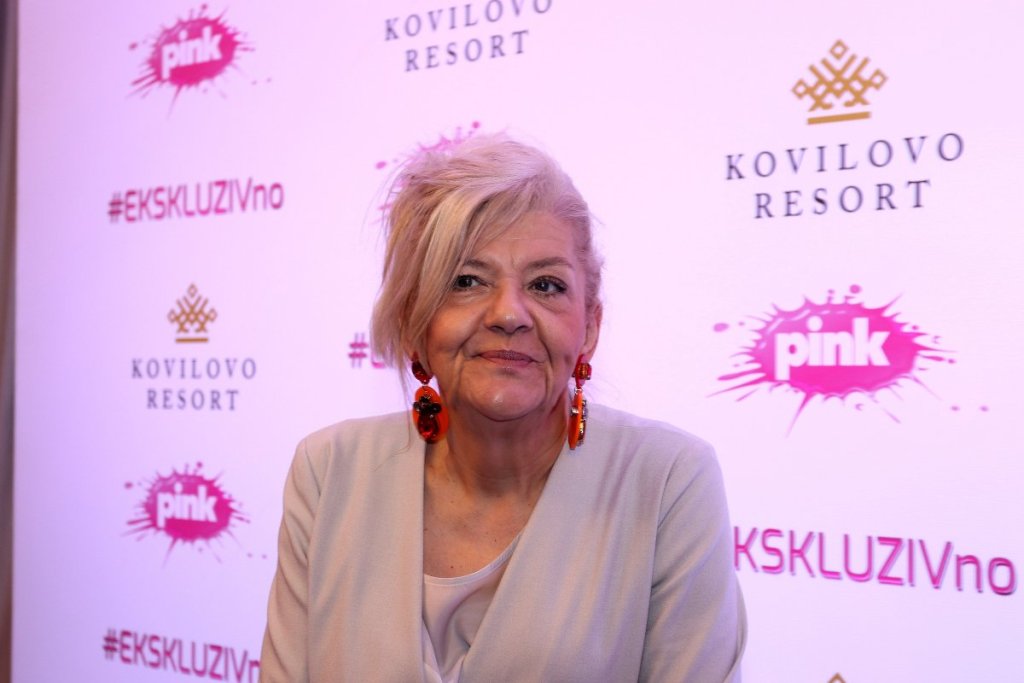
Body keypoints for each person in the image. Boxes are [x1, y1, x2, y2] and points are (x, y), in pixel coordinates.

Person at [260, 135, 746, 682]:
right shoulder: (329, 470)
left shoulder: (669, 482)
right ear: (413, 322)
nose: (509, 313)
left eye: (546, 285)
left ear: (590, 327)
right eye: (466, 281)